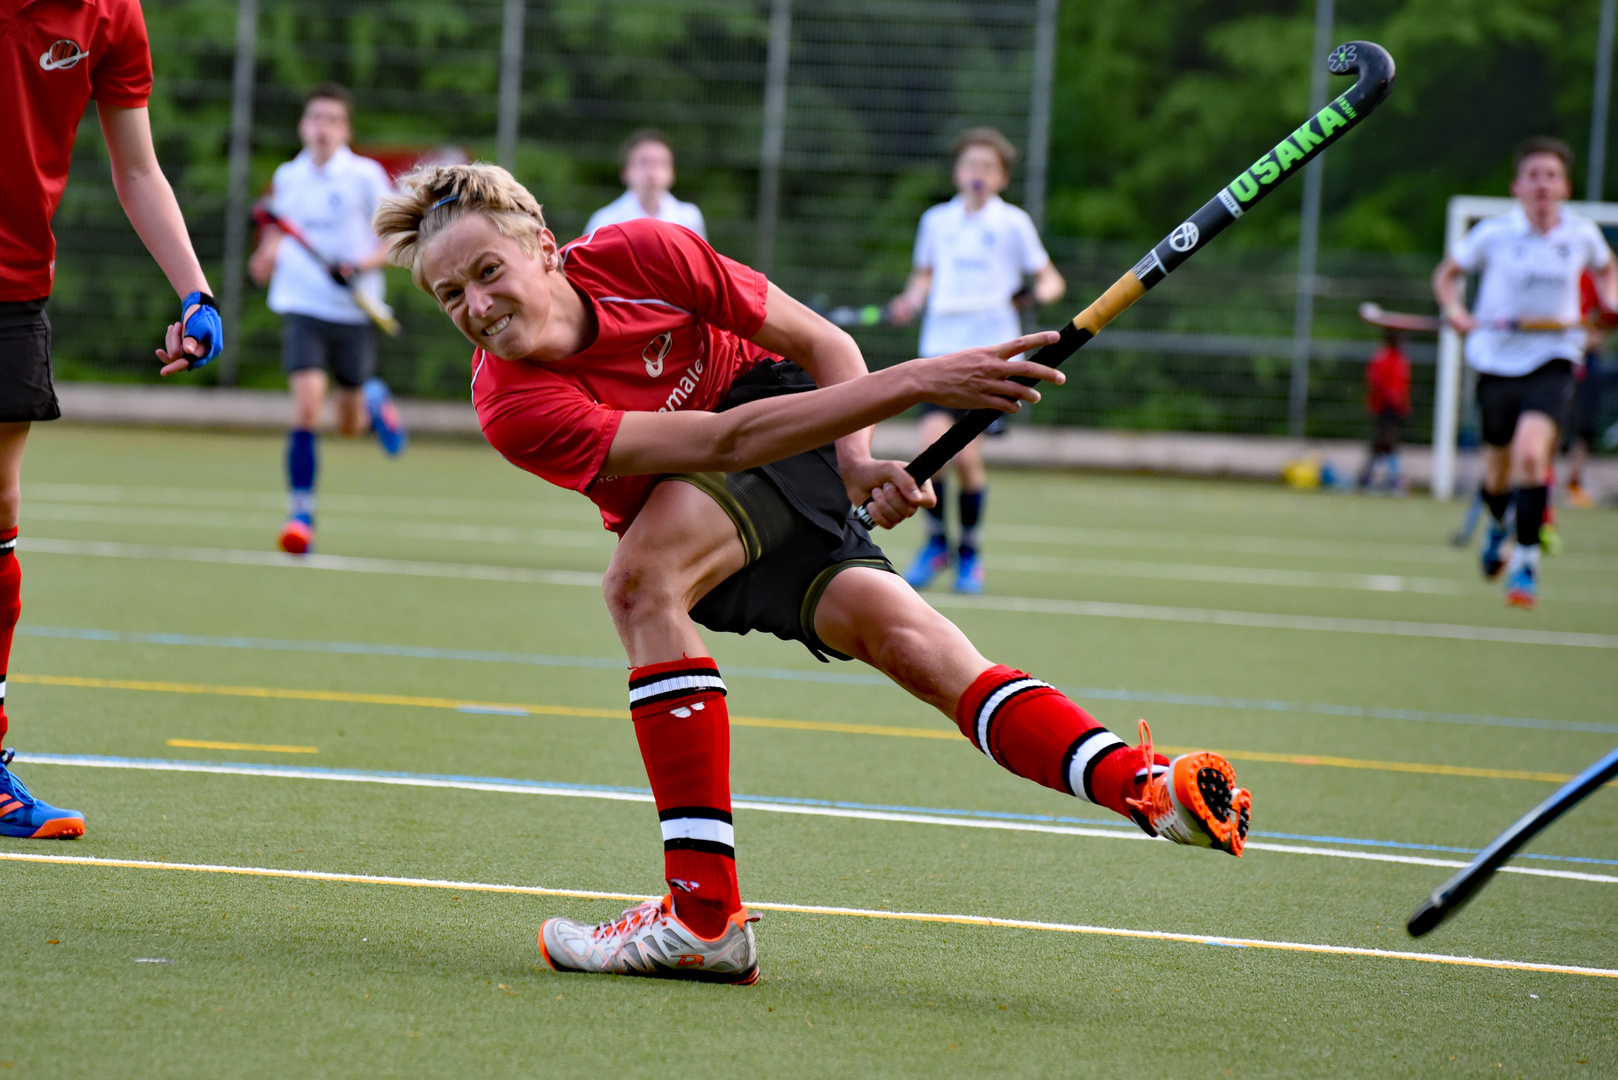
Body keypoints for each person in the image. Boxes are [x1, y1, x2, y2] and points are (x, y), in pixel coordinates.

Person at [374, 163, 1250, 985]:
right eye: (451, 295)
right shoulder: (514, 405)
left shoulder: (646, 251)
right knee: (913, 645)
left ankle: (703, 917)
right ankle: (1143, 786)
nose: (478, 305)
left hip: (768, 410)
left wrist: (858, 458)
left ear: (544, 248)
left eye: (489, 271)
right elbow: (722, 448)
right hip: (721, 496)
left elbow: (820, 343)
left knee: (640, 588)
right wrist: (919, 382)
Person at [1, 0, 221, 837]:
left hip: (15, 284)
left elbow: (137, 170)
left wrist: (195, 291)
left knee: (0, 514)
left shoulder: (111, 15)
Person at [1432, 136, 1617, 609]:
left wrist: (1611, 304)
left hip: (1554, 357)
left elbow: (1607, 269)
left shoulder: (1580, 235)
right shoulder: (1494, 234)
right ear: (1517, 185)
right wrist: (1455, 310)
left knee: (1531, 455)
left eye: (1551, 176)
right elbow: (1446, 276)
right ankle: (1497, 528)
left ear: (1565, 186)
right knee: (1496, 471)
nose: (1542, 184)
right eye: (1533, 175)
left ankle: (1527, 560)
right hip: (1496, 360)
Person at [888, 128, 1065, 593]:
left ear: (1002, 177)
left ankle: (968, 549)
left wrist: (1031, 294)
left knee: (966, 458)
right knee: (932, 448)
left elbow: (1051, 280)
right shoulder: (936, 222)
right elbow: (922, 277)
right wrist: (910, 302)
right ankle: (936, 543)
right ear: (957, 172)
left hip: (994, 354)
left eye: (988, 167)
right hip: (940, 350)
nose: (977, 174)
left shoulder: (1013, 224)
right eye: (970, 166)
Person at [249, 83, 406, 557]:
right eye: (316, 118)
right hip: (302, 305)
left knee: (349, 424)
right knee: (306, 408)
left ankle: (373, 398)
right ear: (303, 125)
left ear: (346, 129)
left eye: (333, 120)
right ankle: (301, 515)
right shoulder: (288, 175)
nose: (323, 128)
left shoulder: (365, 176)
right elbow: (280, 226)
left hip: (354, 310)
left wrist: (361, 265)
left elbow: (398, 239)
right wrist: (266, 256)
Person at [583, 129, 706, 240]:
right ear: (626, 171)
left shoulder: (690, 218)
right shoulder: (603, 222)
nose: (652, 171)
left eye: (661, 163)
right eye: (644, 162)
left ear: (672, 173)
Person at [1566, 268, 1611, 508]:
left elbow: (1603, 319)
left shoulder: (1593, 279)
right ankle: (1543, 479)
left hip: (1587, 360)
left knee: (1585, 425)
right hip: (1555, 359)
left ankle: (1574, 482)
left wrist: (1590, 339)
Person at [1357, 328, 1410, 492]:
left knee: (1382, 442)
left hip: (1394, 406)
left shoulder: (1400, 359)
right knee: (1387, 440)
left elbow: (1402, 385)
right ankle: (1394, 478)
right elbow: (1377, 383)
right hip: (1384, 406)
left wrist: (1403, 404)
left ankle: (1367, 477)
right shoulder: (1382, 358)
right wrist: (1391, 400)